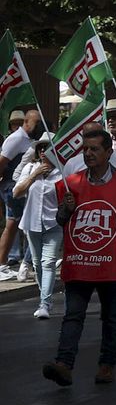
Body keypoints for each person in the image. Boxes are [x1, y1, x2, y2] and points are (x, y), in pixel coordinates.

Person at [43, 128, 116, 387]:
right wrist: (66, 210)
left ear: (109, 152)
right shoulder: (72, 184)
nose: (88, 153)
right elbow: (61, 221)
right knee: (73, 314)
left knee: (111, 315)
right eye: (85, 149)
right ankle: (64, 364)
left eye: (94, 149)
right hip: (80, 263)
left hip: (111, 266)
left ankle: (107, 365)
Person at [12, 138, 61, 318]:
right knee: (38, 264)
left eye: (46, 148)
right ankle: (45, 298)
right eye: (40, 148)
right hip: (32, 223)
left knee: (48, 263)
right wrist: (34, 175)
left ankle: (44, 304)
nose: (42, 151)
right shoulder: (30, 168)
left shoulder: (62, 171)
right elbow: (16, 193)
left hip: (54, 224)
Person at [0, 106, 46, 281]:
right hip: (13, 187)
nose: (38, 126)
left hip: (17, 186)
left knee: (13, 225)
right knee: (25, 226)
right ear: (26, 122)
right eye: (36, 123)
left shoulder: (27, 138)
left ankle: (7, 265)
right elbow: (2, 162)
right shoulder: (17, 138)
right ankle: (23, 265)